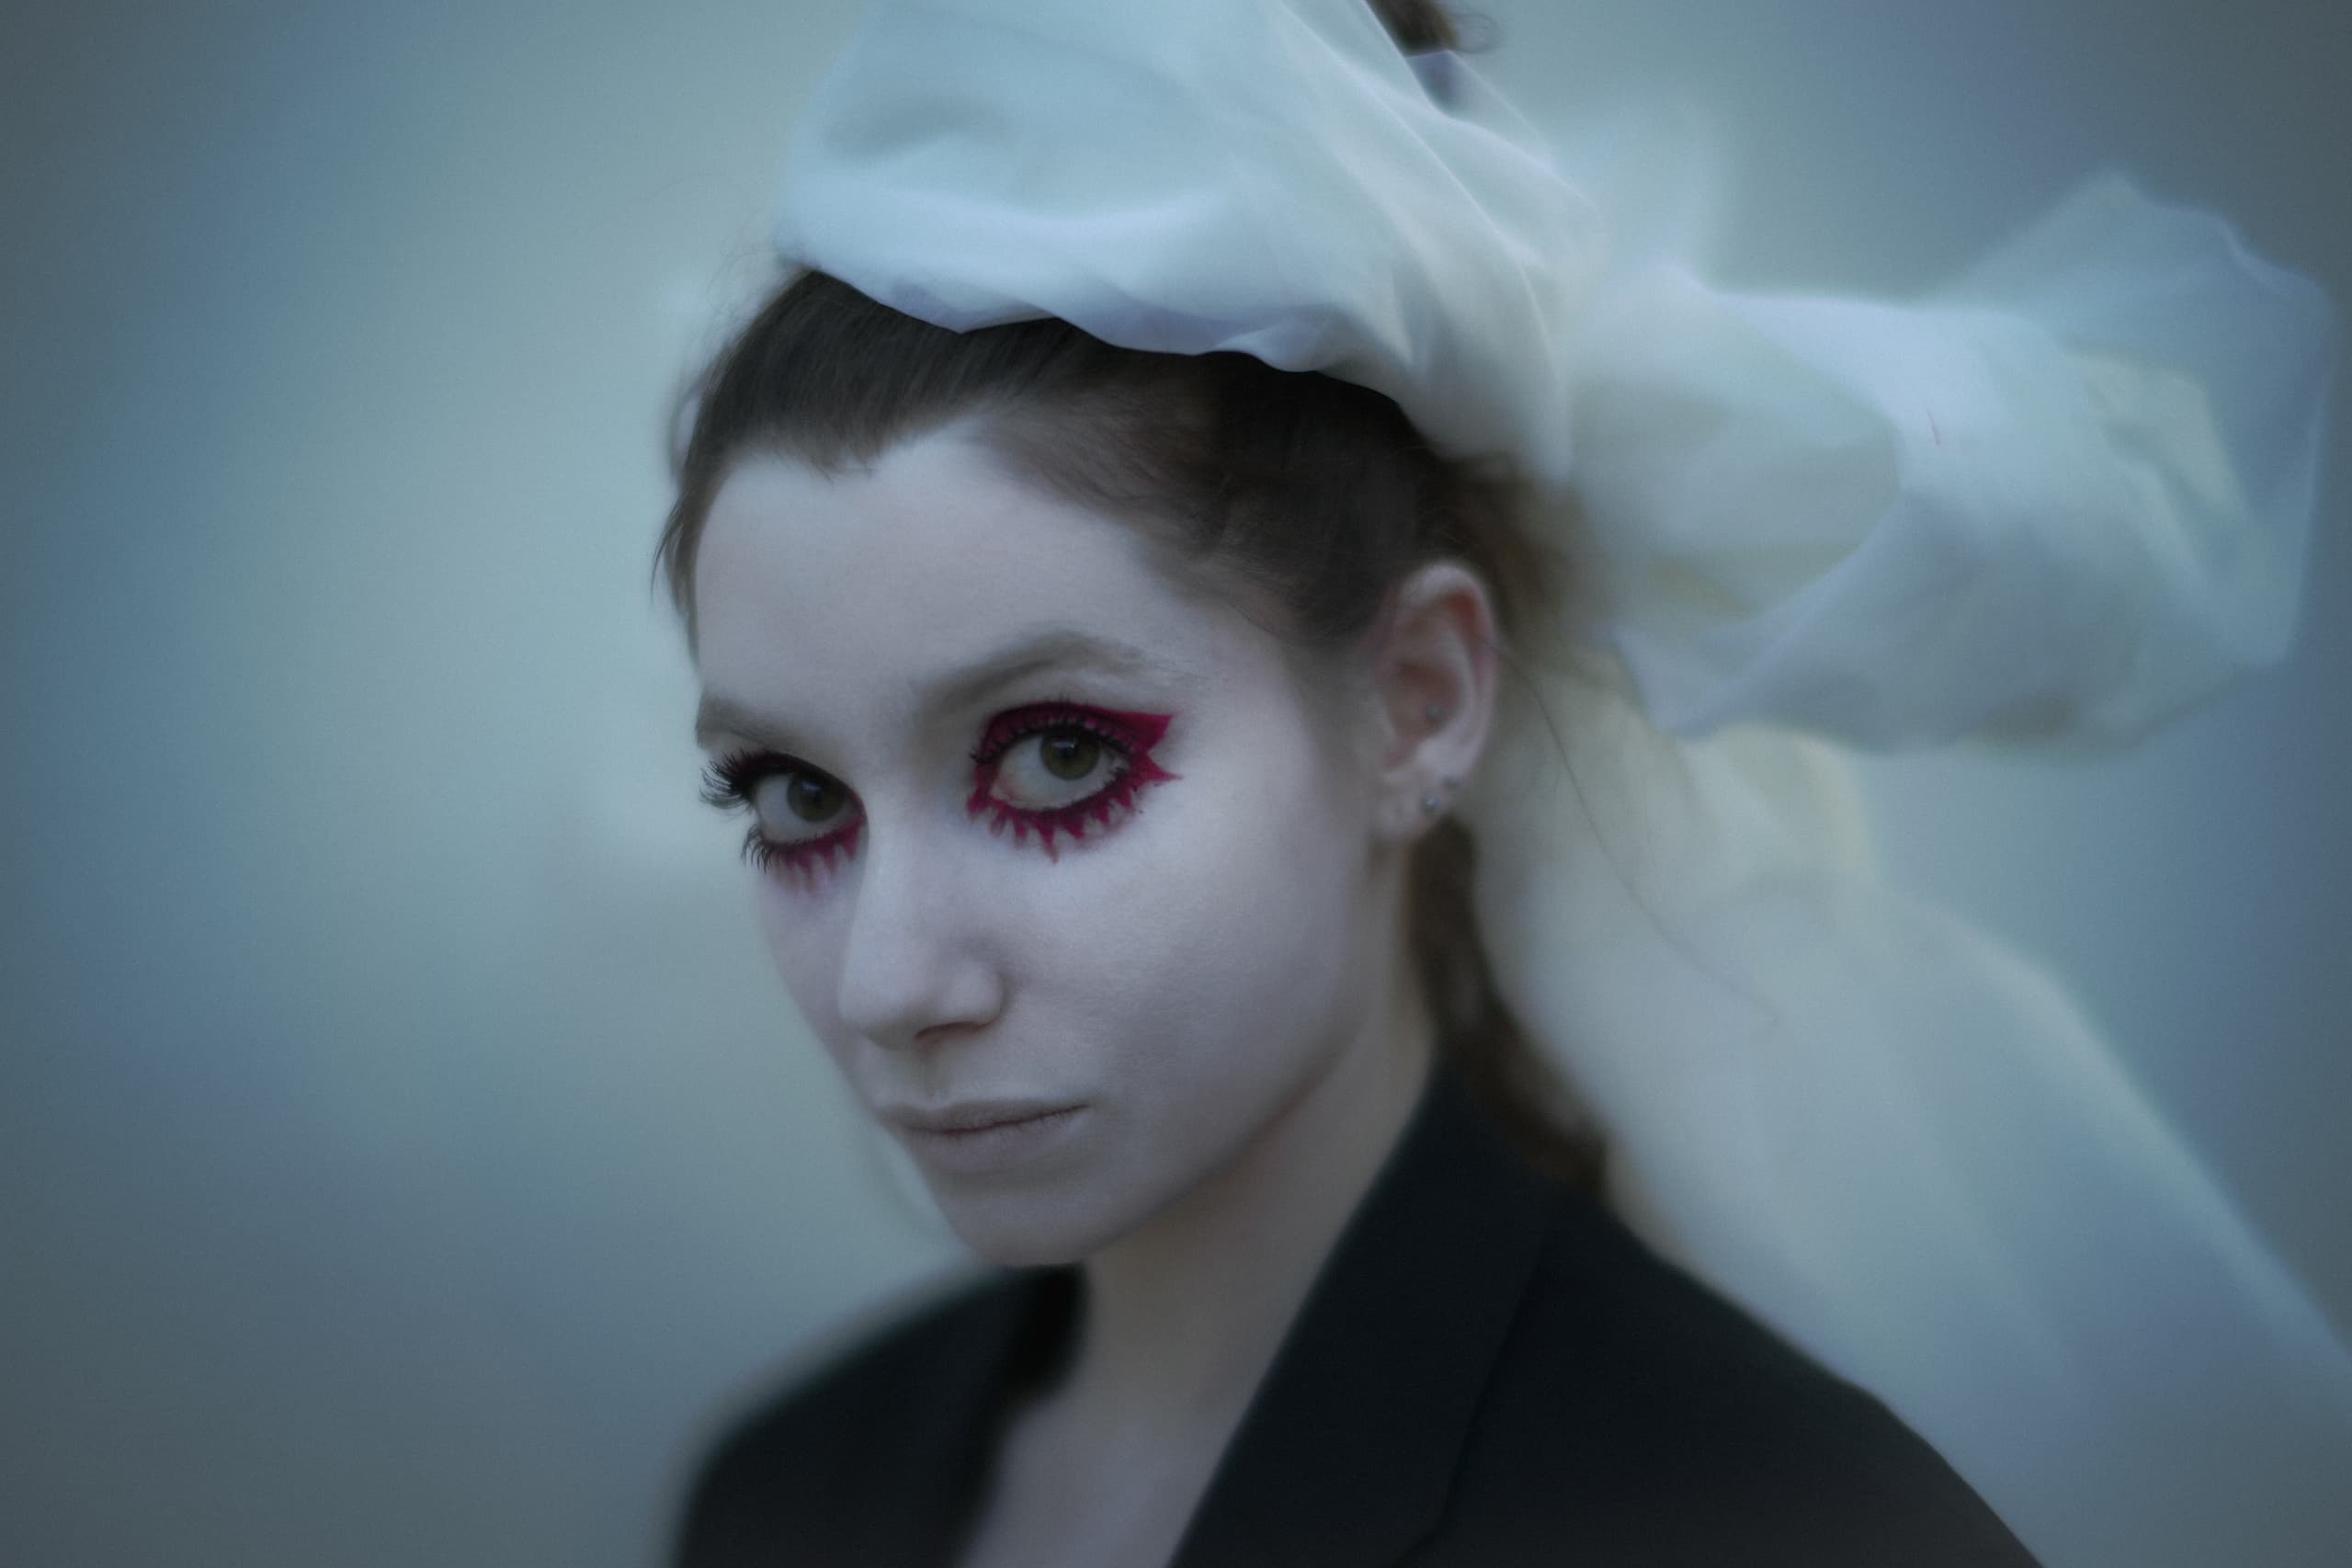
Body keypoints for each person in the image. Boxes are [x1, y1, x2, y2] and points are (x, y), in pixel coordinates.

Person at [656, 2, 2352, 1565]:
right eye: (795, 798)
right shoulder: (784, 1495)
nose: (889, 982)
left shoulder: (1794, 1531)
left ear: (1418, 703)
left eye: (1057, 757)